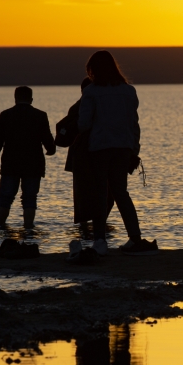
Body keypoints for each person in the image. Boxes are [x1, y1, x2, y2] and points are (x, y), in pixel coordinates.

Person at [78, 50, 158, 256]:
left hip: (99, 147)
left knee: (100, 193)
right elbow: (134, 124)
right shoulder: (128, 91)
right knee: (121, 192)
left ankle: (99, 240)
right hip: (123, 148)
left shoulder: (91, 92)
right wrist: (134, 149)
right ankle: (134, 238)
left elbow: (84, 123)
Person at [0, 86, 55, 228]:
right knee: (30, 198)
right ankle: (28, 227)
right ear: (31, 99)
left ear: (15, 98)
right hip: (33, 164)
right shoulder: (40, 115)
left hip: (11, 164)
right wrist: (51, 149)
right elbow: (47, 139)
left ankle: (0, 227)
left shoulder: (6, 115)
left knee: (5, 197)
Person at [55, 77, 114, 227]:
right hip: (87, 155)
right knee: (98, 193)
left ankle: (91, 224)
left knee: (85, 194)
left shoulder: (78, 106)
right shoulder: (86, 106)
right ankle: (95, 224)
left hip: (83, 156)